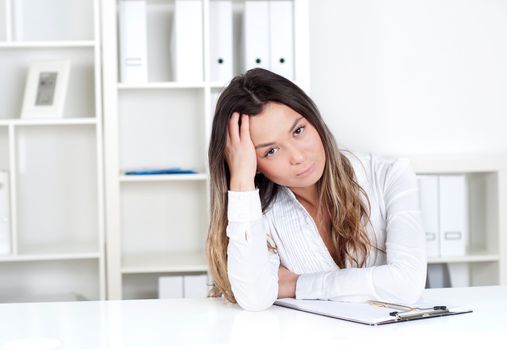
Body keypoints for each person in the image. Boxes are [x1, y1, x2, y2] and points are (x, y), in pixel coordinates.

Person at [205, 68, 427, 311]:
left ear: (314, 119)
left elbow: (408, 284)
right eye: (271, 151)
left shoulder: (389, 175)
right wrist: (240, 184)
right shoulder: (258, 213)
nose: (298, 157)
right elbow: (254, 298)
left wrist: (298, 285)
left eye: (298, 131)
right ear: (252, 164)